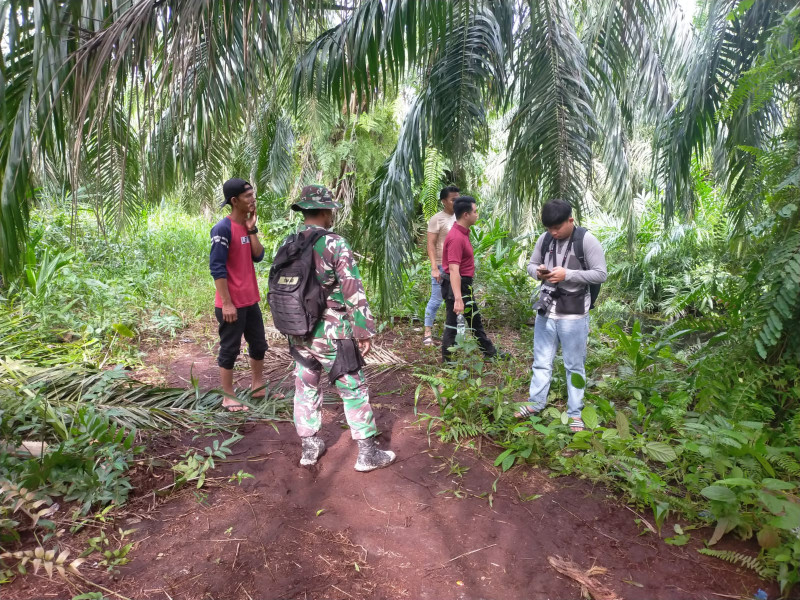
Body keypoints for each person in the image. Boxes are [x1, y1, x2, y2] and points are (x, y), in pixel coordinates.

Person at [284, 185, 396, 472]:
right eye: (330, 210)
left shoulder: (289, 242)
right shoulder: (334, 243)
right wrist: (363, 330)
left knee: (305, 387)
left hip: (298, 331)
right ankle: (367, 454)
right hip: (332, 332)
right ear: (323, 211)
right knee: (353, 387)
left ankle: (309, 447)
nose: (332, 214)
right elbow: (352, 288)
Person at [515, 199, 607, 432]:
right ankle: (535, 403)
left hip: (574, 314)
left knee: (574, 365)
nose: (553, 233)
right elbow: (531, 265)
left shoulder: (586, 240)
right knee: (541, 362)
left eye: (557, 228)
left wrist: (568, 274)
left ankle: (575, 413)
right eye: (549, 228)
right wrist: (538, 272)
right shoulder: (545, 239)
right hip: (546, 310)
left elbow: (600, 274)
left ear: (570, 220)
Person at [209, 178, 268, 411]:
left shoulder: (246, 226)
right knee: (230, 349)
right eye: (248, 196)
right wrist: (227, 303)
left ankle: (257, 385)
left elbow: (258, 255)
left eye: (253, 194)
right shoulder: (222, 229)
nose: (253, 199)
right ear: (234, 201)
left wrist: (252, 229)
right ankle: (228, 395)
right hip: (231, 303)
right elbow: (217, 268)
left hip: (250, 300)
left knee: (259, 344)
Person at [440, 196, 505, 363]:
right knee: (452, 325)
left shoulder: (462, 233)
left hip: (464, 285)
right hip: (456, 285)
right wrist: (458, 298)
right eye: (475, 212)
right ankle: (449, 362)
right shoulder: (456, 237)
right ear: (466, 214)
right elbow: (454, 270)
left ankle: (489, 352)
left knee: (474, 321)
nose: (477, 214)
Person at [423, 186, 459, 346]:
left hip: (456, 267)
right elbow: (430, 244)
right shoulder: (437, 219)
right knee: (436, 300)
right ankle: (427, 333)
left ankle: (454, 336)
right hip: (441, 266)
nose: (456, 202)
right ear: (444, 201)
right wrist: (434, 268)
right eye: (453, 199)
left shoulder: (461, 217)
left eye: (458, 198)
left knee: (456, 300)